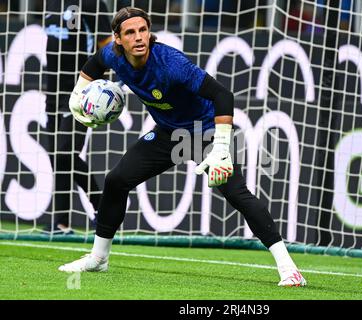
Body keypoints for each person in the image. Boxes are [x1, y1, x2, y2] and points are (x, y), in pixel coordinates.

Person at [57, 7, 306, 287]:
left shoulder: (171, 63)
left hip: (205, 132)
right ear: (117, 39)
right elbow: (91, 66)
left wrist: (222, 147)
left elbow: (223, 95)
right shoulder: (112, 56)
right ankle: (98, 259)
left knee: (237, 194)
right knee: (116, 180)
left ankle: (289, 268)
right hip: (167, 134)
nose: (139, 37)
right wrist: (77, 97)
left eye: (143, 30)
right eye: (130, 32)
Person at [44, 0, 112, 234]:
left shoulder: (91, 3)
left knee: (64, 152)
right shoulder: (52, 3)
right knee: (58, 157)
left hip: (80, 91)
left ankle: (102, 206)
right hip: (52, 91)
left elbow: (106, 44)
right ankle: (61, 223)